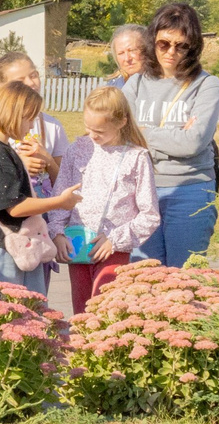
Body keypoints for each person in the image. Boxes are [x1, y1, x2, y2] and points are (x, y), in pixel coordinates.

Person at [130, 2, 219, 267]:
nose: (171, 52)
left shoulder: (207, 85)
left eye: (181, 45)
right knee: (144, 277)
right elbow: (119, 134)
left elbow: (193, 143)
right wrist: (172, 137)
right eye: (164, 43)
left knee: (183, 279)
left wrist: (144, 134)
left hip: (190, 190)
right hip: (142, 190)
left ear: (193, 47)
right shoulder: (137, 83)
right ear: (153, 41)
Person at [51, 87, 160, 314]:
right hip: (78, 246)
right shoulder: (77, 149)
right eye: (88, 128)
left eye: (99, 131)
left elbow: (149, 215)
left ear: (121, 122)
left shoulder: (136, 157)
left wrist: (115, 239)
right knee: (81, 312)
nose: (92, 135)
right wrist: (58, 232)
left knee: (106, 313)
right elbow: (61, 195)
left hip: (112, 250)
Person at [0, 82, 69, 296]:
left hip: (5, 246)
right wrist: (61, 201)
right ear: (13, 114)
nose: (31, 126)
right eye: (29, 118)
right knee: (4, 319)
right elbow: (14, 207)